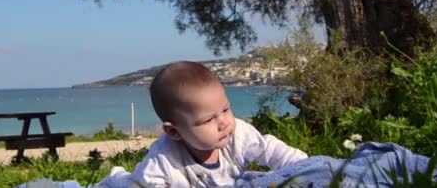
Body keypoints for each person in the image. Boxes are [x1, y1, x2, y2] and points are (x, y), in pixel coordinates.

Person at [129, 61, 308, 187]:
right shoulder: (163, 159)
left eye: (225, 109)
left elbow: (269, 150)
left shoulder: (238, 134)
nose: (223, 123)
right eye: (208, 120)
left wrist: (303, 167)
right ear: (174, 131)